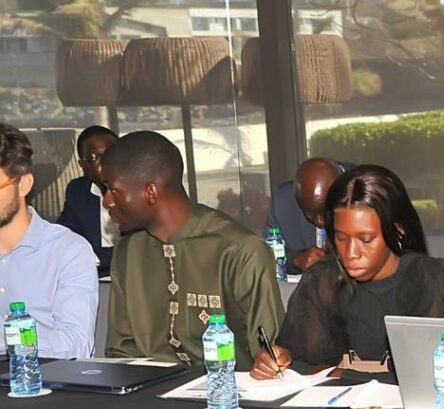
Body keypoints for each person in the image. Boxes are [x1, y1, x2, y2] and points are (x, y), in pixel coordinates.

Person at [250, 164, 444, 379]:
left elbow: (432, 374)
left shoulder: (431, 280)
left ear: (398, 231)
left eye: (366, 239)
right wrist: (277, 361)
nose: (351, 253)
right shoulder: (321, 280)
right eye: (341, 238)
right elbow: (298, 362)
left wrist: (345, 375)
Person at [102, 130, 283, 371]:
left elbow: (268, 354)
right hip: (150, 388)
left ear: (150, 192)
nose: (106, 201)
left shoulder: (240, 250)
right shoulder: (128, 252)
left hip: (232, 388)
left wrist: (269, 362)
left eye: (112, 190)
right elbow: (121, 351)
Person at [0, 123, 97, 358]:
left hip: (47, 378)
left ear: (24, 184)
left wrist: (7, 339)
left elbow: (76, 343)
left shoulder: (68, 251)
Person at [264, 158, 352, 274]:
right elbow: (266, 255)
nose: (320, 223)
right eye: (311, 213)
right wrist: (295, 260)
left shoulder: (366, 191)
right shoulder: (283, 202)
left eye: (324, 211)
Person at [57, 125, 119, 270]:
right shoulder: (78, 191)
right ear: (82, 164)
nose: (106, 162)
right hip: (94, 273)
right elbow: (64, 236)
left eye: (111, 154)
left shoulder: (136, 191)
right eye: (94, 158)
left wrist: (98, 259)